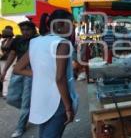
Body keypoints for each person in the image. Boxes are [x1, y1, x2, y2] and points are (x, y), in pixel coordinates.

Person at [14, 10, 79, 138]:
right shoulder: (62, 43)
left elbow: (18, 68)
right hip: (57, 99)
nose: (73, 27)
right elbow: (60, 78)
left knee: (44, 133)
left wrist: (41, 74)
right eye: (71, 23)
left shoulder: (36, 42)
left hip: (40, 97)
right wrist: (68, 107)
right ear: (61, 25)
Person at [1, 21, 37, 137]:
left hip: (31, 71)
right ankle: (32, 109)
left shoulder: (38, 40)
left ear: (33, 30)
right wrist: (5, 70)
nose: (25, 32)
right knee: (11, 98)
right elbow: (12, 54)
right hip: (18, 69)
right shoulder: (18, 40)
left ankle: (20, 128)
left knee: (26, 101)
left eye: (28, 29)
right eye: (23, 30)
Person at [0, 26, 14, 98]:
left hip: (10, 60)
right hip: (2, 60)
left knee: (7, 76)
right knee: (3, 75)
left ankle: (6, 93)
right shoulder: (2, 41)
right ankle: (4, 92)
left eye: (4, 32)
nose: (2, 33)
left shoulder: (13, 40)